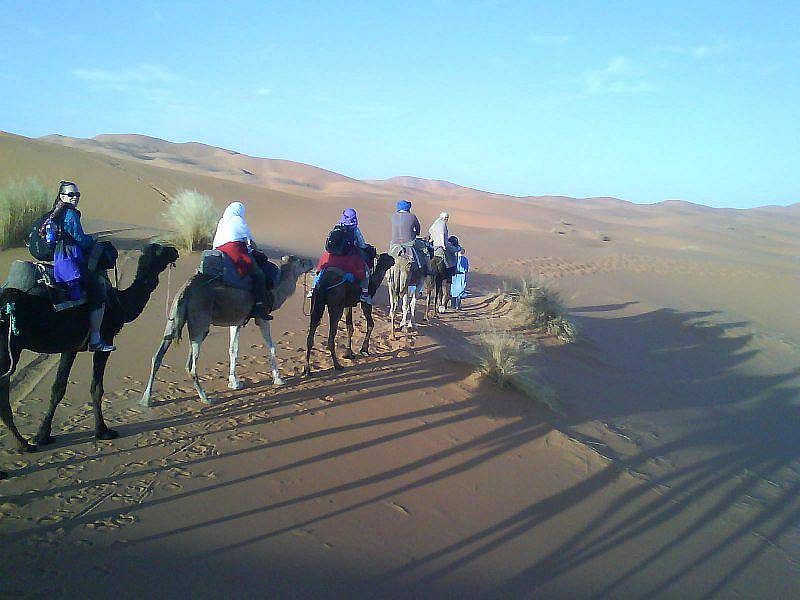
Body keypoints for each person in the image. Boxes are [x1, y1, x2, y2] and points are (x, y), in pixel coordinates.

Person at [48, 181, 116, 352]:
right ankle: (95, 339)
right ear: (62, 196)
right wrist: (92, 240)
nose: (75, 198)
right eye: (71, 195)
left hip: (60, 261)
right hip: (71, 264)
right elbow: (80, 239)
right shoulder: (70, 215)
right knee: (98, 295)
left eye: (77, 195)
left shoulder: (56, 213)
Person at [212, 202, 272, 320]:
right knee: (259, 275)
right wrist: (257, 250)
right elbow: (249, 240)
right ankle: (258, 306)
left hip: (219, 252)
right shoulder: (237, 220)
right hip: (234, 251)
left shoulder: (222, 222)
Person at [309, 208, 373, 304]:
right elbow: (361, 245)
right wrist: (367, 247)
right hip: (348, 257)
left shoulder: (337, 227)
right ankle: (364, 295)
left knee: (322, 268)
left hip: (332, 255)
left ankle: (313, 288)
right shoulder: (355, 229)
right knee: (364, 271)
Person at [389, 200, 429, 275]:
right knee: (425, 250)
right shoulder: (412, 216)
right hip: (409, 242)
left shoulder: (393, 216)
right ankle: (426, 271)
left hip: (395, 242)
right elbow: (418, 228)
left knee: (390, 253)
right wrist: (415, 233)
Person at [450, 245, 469, 310]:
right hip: (461, 276)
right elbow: (466, 269)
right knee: (460, 291)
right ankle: (457, 306)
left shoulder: (454, 258)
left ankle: (453, 305)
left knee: (453, 291)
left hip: (455, 276)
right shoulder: (465, 259)